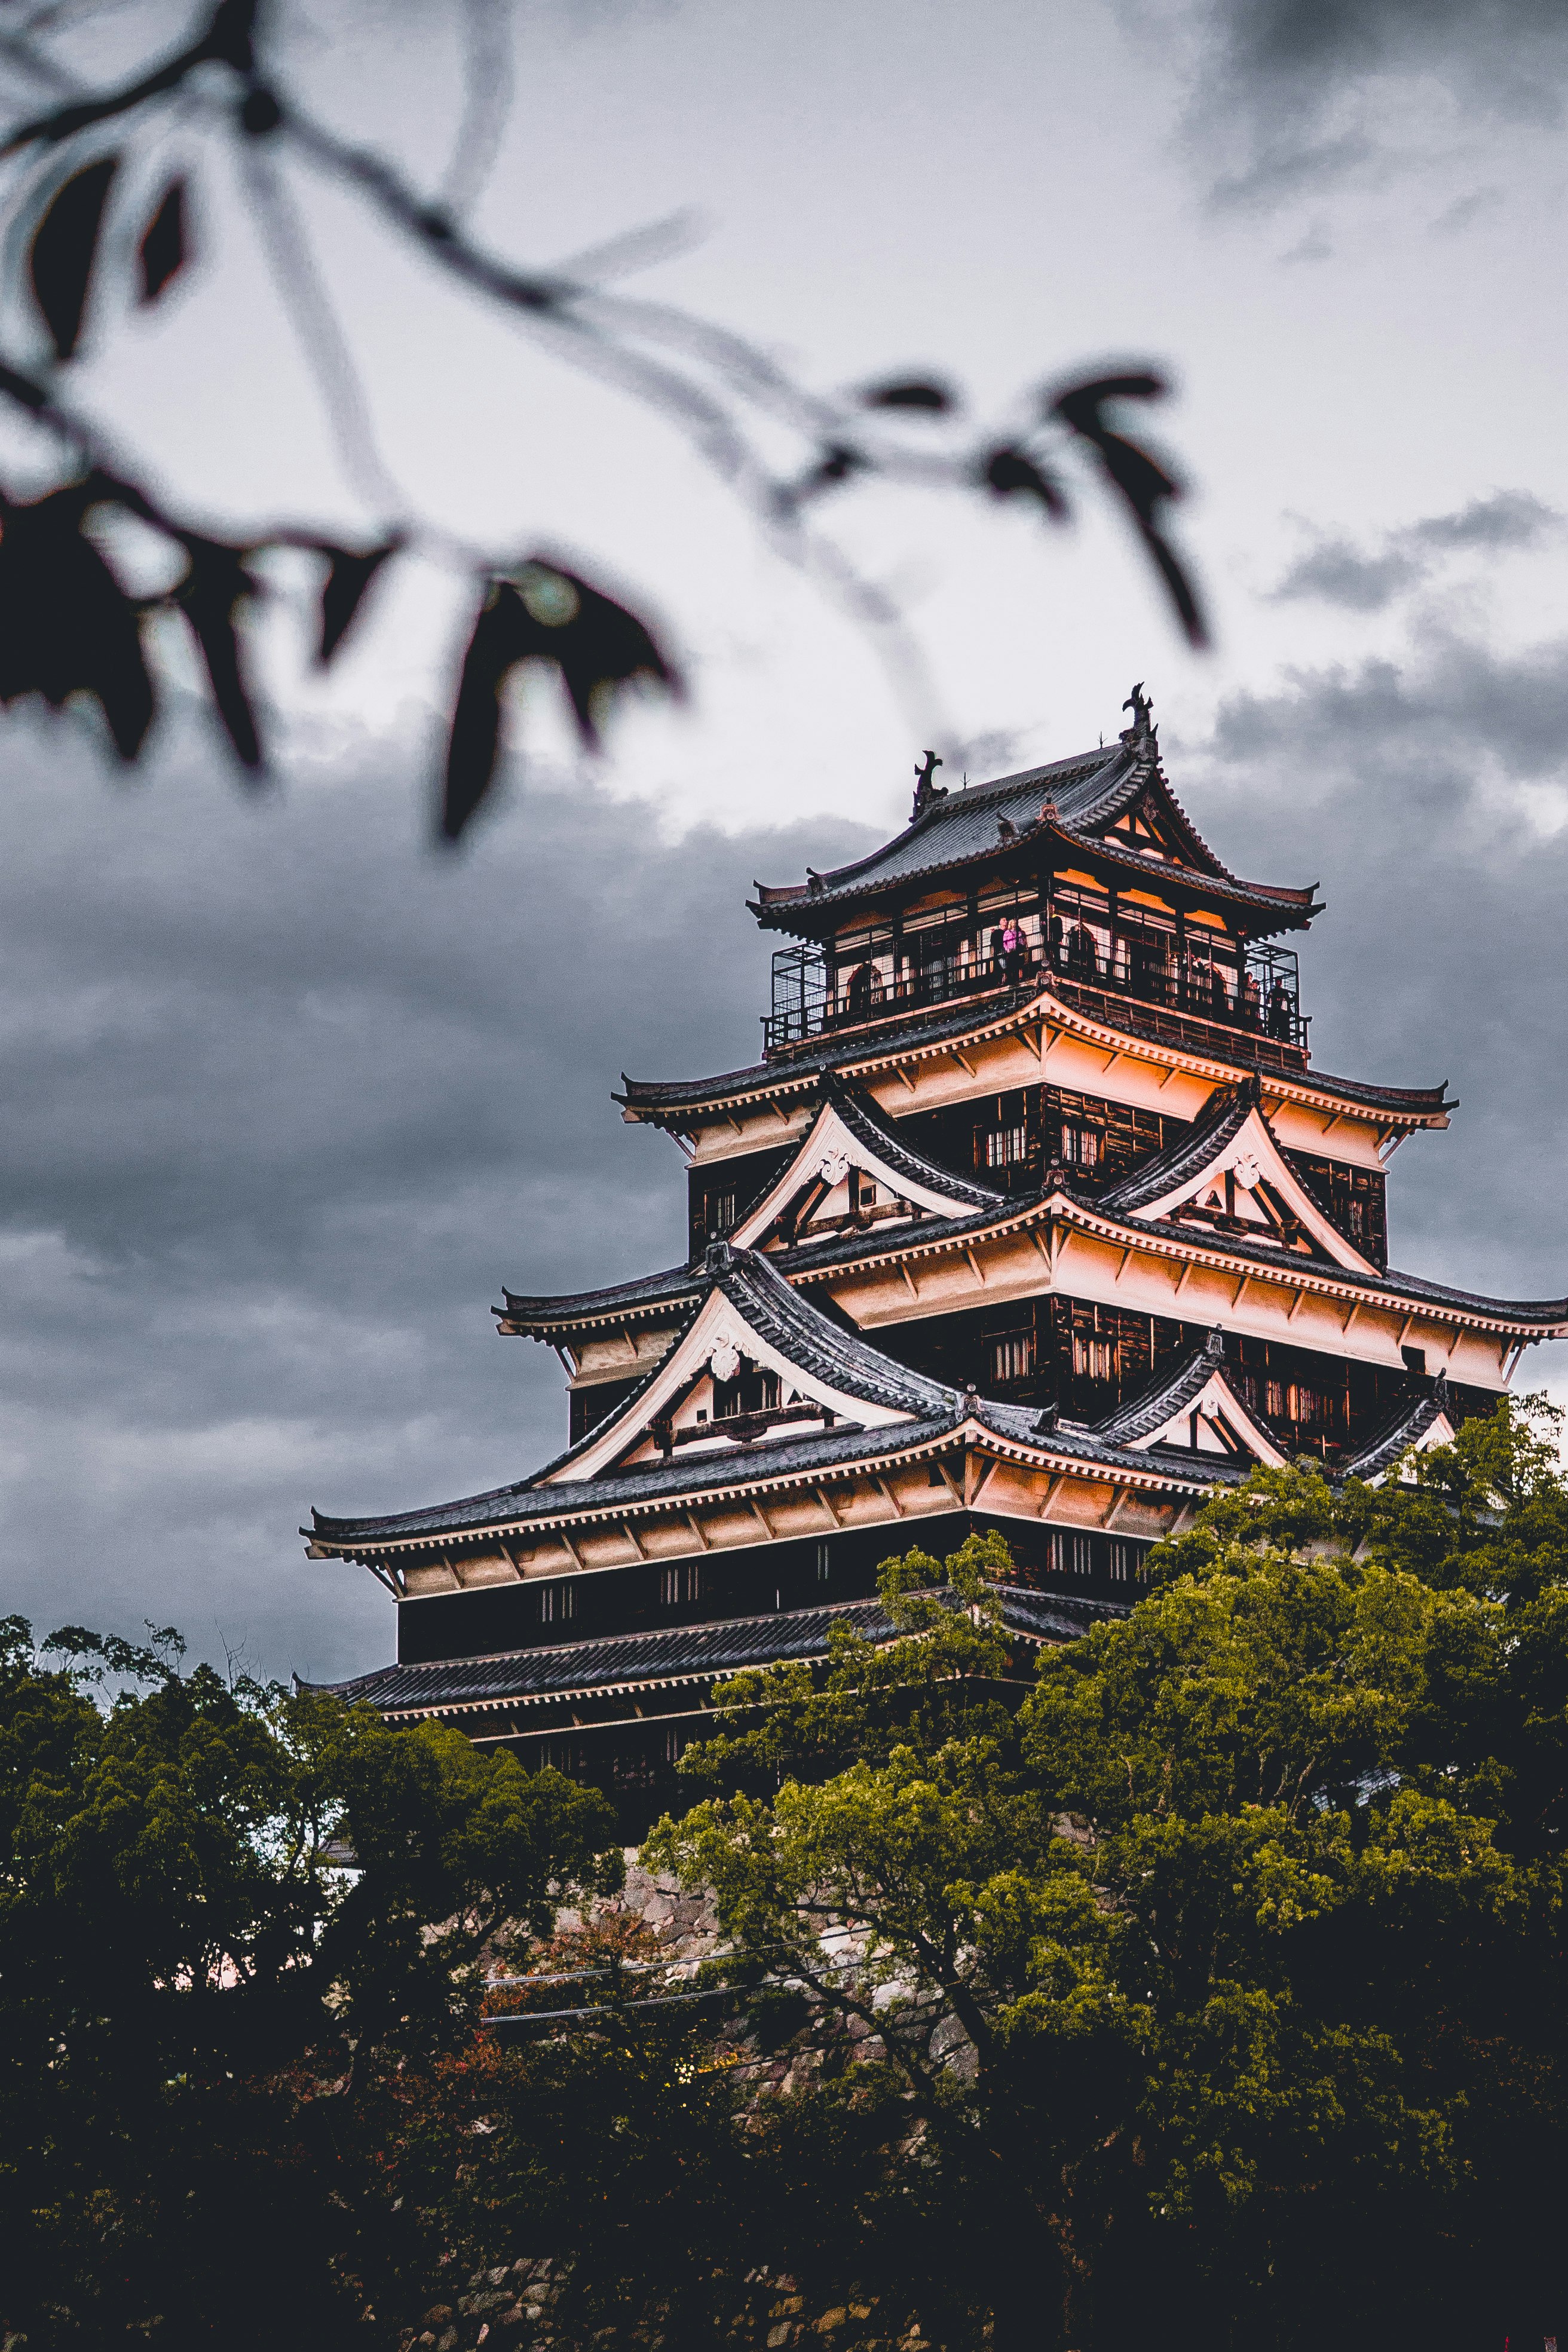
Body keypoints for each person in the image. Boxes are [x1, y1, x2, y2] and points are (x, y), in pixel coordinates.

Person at [1000, 915, 1023, 985]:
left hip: (1016, 950)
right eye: (1012, 923)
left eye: (1015, 923)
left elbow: (1021, 941)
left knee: (1016, 965)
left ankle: (1016, 979)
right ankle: (1011, 979)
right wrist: (1007, 949)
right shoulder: (1007, 932)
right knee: (1010, 965)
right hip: (1010, 950)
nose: (1014, 924)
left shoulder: (1018, 932)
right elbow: (1005, 942)